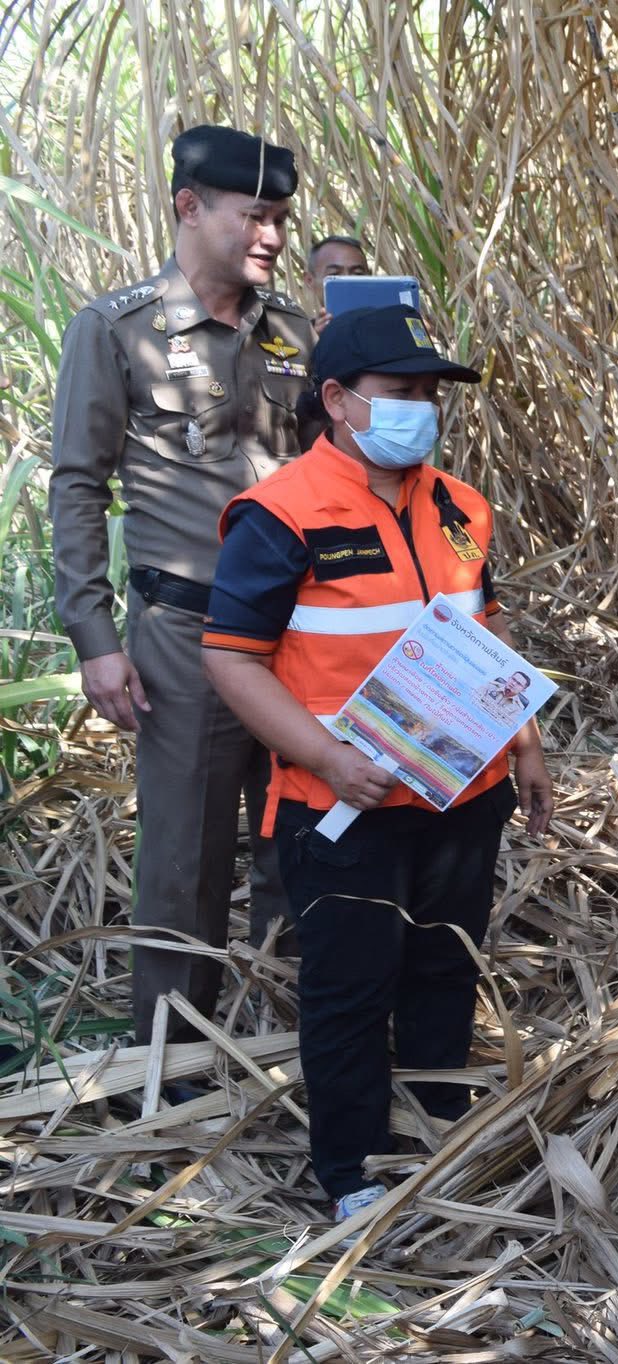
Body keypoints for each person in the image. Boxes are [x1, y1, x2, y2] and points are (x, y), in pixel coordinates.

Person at [201, 305, 552, 1230]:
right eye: (402, 393)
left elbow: (487, 622)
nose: (422, 409)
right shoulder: (279, 516)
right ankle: (350, 1165)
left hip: (464, 791)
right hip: (341, 804)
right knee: (350, 987)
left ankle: (440, 1118)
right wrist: (325, 756)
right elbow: (231, 657)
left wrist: (525, 742)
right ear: (338, 402)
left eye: (431, 394)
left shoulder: (462, 505)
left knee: (445, 962)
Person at [49, 124, 313, 1046]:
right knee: (182, 859)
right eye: (256, 216)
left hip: (295, 638)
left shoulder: (297, 336)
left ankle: (288, 1035)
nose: (274, 236)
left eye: (281, 217)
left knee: (299, 841)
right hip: (181, 640)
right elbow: (78, 485)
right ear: (189, 208)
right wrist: (96, 639)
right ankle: (173, 1060)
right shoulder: (116, 331)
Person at [307, 234, 372, 339]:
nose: (347, 282)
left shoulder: (390, 323)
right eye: (334, 275)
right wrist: (316, 343)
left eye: (357, 274)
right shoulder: (299, 337)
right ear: (310, 281)